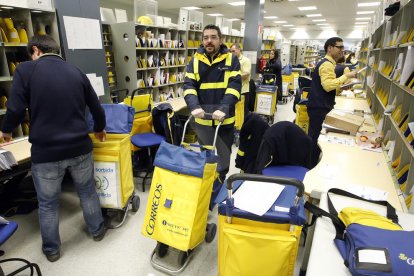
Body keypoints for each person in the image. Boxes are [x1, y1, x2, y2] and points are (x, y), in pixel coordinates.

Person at [0, 35, 107, 262]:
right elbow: (96, 107)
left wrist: (6, 130)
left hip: (46, 153)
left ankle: (52, 250)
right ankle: (97, 231)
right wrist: (99, 128)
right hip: (80, 148)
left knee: (48, 204)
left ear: (36, 49)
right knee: (87, 192)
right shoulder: (75, 71)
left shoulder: (26, 70)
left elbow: (16, 108)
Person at [183, 24, 241, 185]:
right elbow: (188, 87)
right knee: (206, 158)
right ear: (202, 40)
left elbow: (234, 87)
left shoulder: (232, 60)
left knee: (223, 159)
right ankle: (208, 189)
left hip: (225, 122)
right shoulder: (194, 61)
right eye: (206, 37)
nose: (209, 41)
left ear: (220, 40)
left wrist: (223, 109)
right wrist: (194, 106)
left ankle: (220, 185)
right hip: (203, 122)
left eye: (213, 37)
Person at [307, 37, 357, 160]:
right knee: (314, 138)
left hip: (319, 106)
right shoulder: (327, 65)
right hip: (319, 107)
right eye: (339, 47)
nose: (342, 50)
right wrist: (346, 76)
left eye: (342, 47)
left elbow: (329, 84)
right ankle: (310, 163)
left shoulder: (329, 64)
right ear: (330, 48)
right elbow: (328, 86)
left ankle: (310, 159)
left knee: (314, 136)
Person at [230, 43, 251, 120]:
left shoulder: (245, 60)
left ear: (239, 49)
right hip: (233, 90)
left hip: (243, 91)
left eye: (233, 51)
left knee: (243, 112)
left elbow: (245, 75)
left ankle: (244, 130)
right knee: (235, 112)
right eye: (231, 51)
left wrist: (233, 77)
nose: (232, 53)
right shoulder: (231, 60)